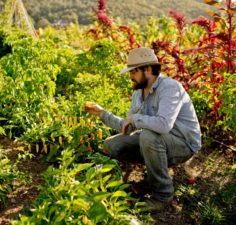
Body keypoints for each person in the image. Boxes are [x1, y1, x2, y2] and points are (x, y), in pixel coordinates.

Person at [84, 47, 201, 212]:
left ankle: (163, 195)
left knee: (148, 136)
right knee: (112, 144)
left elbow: (164, 125)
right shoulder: (139, 92)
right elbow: (127, 126)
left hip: (183, 143)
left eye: (133, 71)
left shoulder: (170, 88)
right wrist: (102, 113)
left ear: (147, 69)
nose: (130, 76)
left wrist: (136, 119)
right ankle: (155, 166)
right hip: (157, 140)